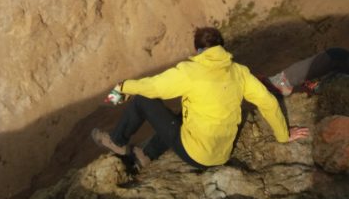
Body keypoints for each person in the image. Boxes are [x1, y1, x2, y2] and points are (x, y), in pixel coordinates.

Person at [91, 26, 309, 170]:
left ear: (198, 50)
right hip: (221, 154)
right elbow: (268, 101)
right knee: (184, 115)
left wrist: (123, 87)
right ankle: (145, 155)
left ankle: (117, 141)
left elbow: (153, 87)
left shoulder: (190, 71)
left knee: (142, 101)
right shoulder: (239, 72)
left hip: (196, 155)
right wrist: (283, 135)